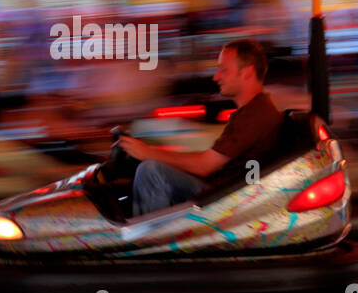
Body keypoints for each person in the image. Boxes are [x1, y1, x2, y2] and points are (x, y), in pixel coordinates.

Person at [120, 39, 283, 216]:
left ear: (247, 73)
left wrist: (147, 153)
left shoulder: (255, 115)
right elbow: (210, 161)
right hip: (223, 191)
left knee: (151, 171)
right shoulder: (254, 110)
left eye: (224, 70)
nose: (216, 77)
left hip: (227, 201)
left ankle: (152, 241)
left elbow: (205, 165)